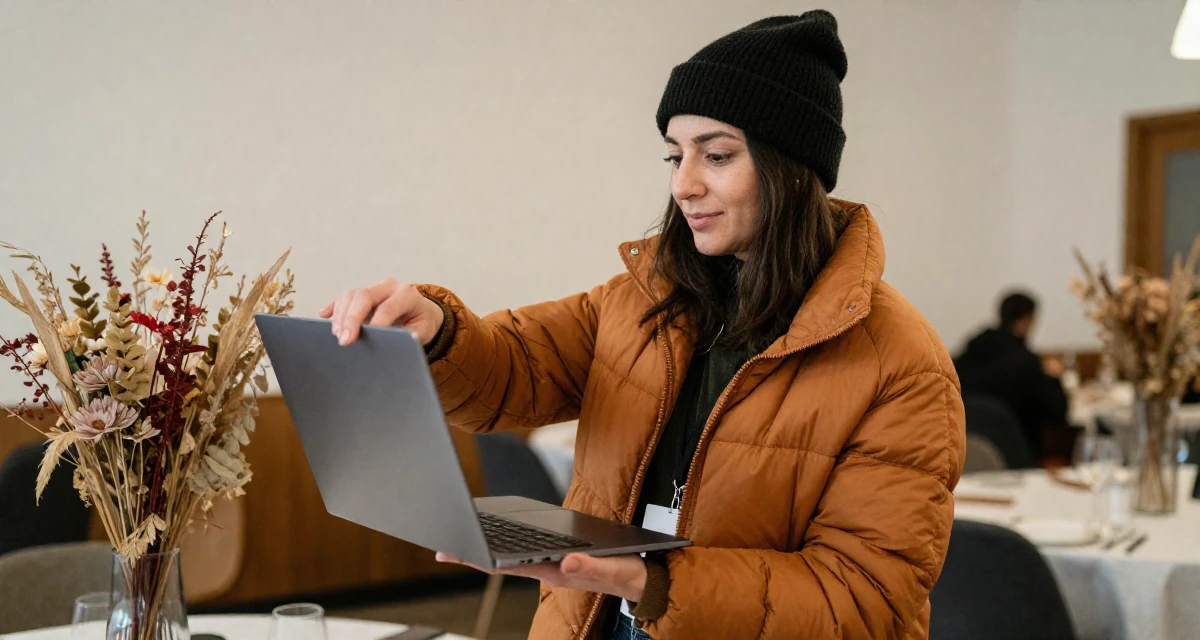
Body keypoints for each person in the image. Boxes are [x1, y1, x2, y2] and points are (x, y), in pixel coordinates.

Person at [322, 12, 965, 639]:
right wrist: (437, 330)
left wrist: (653, 581)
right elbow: (513, 367)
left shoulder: (901, 363)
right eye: (673, 156)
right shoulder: (642, 300)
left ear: (793, 169)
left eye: (716, 155)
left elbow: (863, 598)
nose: (683, 184)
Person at [954, 291, 1069, 459]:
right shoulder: (1025, 362)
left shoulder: (972, 350)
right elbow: (1058, 413)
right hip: (1019, 456)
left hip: (965, 451)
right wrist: (1054, 378)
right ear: (1026, 320)